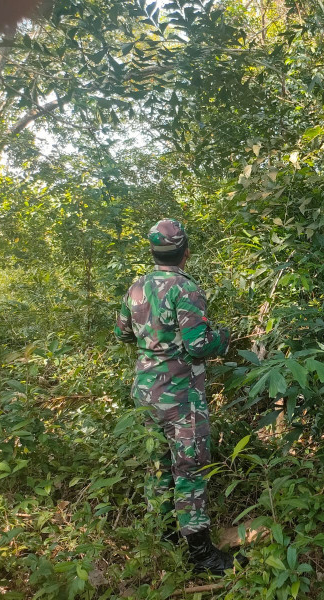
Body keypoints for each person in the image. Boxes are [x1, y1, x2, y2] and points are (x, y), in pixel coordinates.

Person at [115, 218, 246, 575]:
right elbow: (198, 344)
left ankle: (165, 539)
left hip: (146, 392)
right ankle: (201, 555)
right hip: (180, 395)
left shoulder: (136, 288)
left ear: (154, 251)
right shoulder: (185, 288)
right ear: (185, 252)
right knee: (190, 468)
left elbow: (123, 334)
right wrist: (225, 335)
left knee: (158, 465)